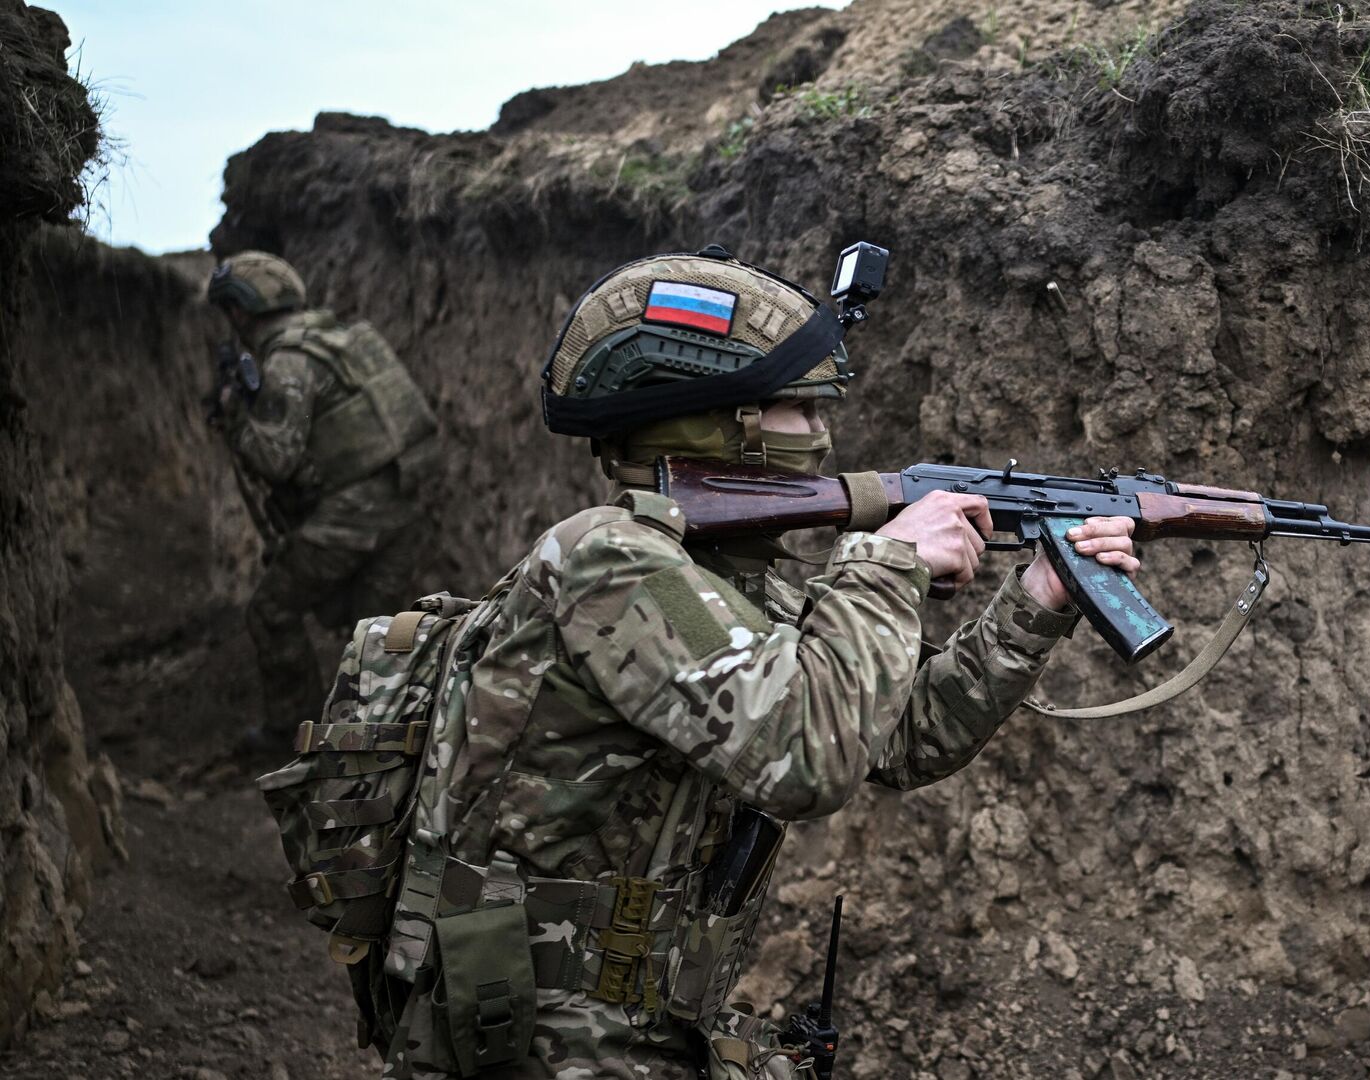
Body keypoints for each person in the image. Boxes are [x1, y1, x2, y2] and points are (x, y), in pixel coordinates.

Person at [377, 247, 1139, 1078]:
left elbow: (900, 737)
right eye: (798, 411)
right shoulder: (607, 562)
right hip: (538, 1036)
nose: (823, 435)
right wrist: (887, 565)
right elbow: (804, 759)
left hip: (640, 1026)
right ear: (713, 423)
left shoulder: (724, 574)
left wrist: (1037, 599)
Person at [205, 251, 441, 750]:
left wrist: (235, 418)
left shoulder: (287, 361)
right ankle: (398, 744)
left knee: (271, 612)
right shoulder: (340, 337)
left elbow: (276, 459)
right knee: (378, 635)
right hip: (405, 500)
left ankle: (289, 733)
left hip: (353, 517)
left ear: (241, 310)